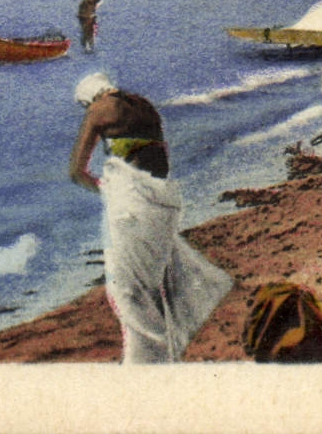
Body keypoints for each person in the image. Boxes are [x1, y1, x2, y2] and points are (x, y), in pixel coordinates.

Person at [69, 72, 233, 364]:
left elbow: (76, 172)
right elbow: (161, 152)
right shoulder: (143, 105)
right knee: (154, 280)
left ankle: (146, 362)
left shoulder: (99, 109)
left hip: (132, 202)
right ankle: (160, 354)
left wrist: (106, 188)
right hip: (164, 199)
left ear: (90, 97)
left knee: (128, 289)